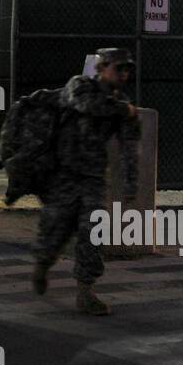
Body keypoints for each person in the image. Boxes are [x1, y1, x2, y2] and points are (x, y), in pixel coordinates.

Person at [30, 47, 141, 316]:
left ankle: (85, 291)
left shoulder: (124, 107)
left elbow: (129, 148)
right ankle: (43, 264)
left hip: (92, 178)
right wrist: (122, 110)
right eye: (119, 68)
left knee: (93, 231)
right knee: (56, 230)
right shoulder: (79, 85)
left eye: (128, 69)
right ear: (102, 68)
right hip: (62, 175)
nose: (124, 74)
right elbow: (86, 105)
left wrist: (130, 184)